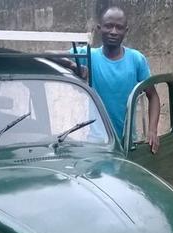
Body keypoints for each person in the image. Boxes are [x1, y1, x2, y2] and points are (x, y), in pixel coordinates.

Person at [66, 7, 161, 153]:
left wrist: (153, 130)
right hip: (98, 144)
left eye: (119, 27)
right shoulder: (88, 56)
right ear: (99, 28)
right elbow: (50, 55)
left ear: (126, 31)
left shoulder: (136, 59)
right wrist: (72, 65)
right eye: (109, 26)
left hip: (128, 143)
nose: (114, 32)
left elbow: (153, 95)